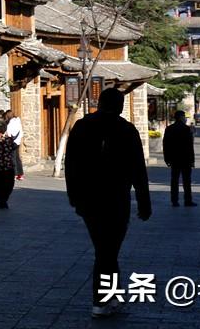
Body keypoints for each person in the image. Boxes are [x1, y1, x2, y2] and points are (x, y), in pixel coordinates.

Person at [65, 87, 152, 320]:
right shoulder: (127, 130)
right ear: (120, 106)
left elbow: (70, 164)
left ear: (100, 103)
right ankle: (100, 301)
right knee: (107, 251)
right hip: (116, 199)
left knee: (106, 249)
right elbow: (138, 170)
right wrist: (144, 202)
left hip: (88, 200)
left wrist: (73, 196)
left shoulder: (82, 126)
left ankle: (112, 296)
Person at [162, 110, 196, 207]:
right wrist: (192, 160)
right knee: (187, 181)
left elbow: (165, 145)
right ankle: (188, 200)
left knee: (174, 181)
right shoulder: (186, 129)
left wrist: (166, 159)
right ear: (181, 117)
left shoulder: (169, 129)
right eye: (184, 117)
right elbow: (190, 146)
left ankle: (174, 201)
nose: (185, 119)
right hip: (185, 159)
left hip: (174, 159)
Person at [5, 109, 25, 180]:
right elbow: (21, 132)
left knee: (12, 158)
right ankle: (20, 174)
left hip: (12, 141)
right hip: (18, 141)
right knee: (17, 158)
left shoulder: (11, 122)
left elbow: (9, 132)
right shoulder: (18, 121)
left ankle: (15, 174)